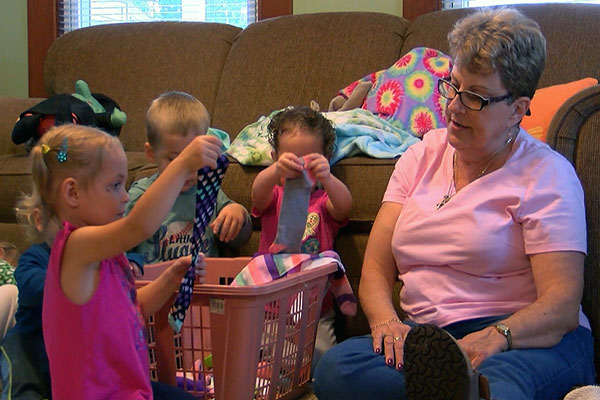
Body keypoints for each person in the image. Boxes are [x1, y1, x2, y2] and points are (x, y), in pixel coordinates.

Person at [314, 8, 595, 400]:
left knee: (502, 387)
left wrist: (497, 336)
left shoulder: (547, 174)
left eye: (476, 97)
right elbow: (376, 267)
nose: (455, 107)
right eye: (453, 86)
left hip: (525, 340)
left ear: (517, 108)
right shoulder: (420, 156)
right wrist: (385, 324)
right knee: (337, 370)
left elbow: (562, 304)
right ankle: (457, 391)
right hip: (432, 343)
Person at [34, 123, 222, 399]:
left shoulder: (105, 255)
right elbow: (139, 226)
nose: (125, 196)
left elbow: (132, 310)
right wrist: (181, 165)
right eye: (114, 185)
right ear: (72, 193)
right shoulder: (76, 247)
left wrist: (172, 277)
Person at [252, 106, 353, 370]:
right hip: (272, 310)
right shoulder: (274, 195)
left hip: (316, 311)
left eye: (308, 159)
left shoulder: (322, 201)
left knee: (324, 364)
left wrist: (327, 177)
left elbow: (345, 207)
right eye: (289, 158)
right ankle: (276, 371)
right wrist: (275, 171)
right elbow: (257, 195)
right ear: (275, 157)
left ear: (325, 157)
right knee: (265, 359)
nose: (298, 165)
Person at [126, 91, 251, 265]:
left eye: (195, 158)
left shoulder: (208, 189)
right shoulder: (141, 195)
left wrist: (238, 213)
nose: (187, 169)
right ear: (151, 153)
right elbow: (119, 247)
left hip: (205, 286)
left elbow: (240, 239)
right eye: (174, 159)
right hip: (156, 288)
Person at [0, 191, 58, 399]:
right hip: (28, 346)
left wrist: (133, 263)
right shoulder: (36, 256)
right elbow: (33, 286)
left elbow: (127, 254)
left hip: (67, 350)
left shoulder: (100, 257)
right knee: (24, 389)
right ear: (40, 220)